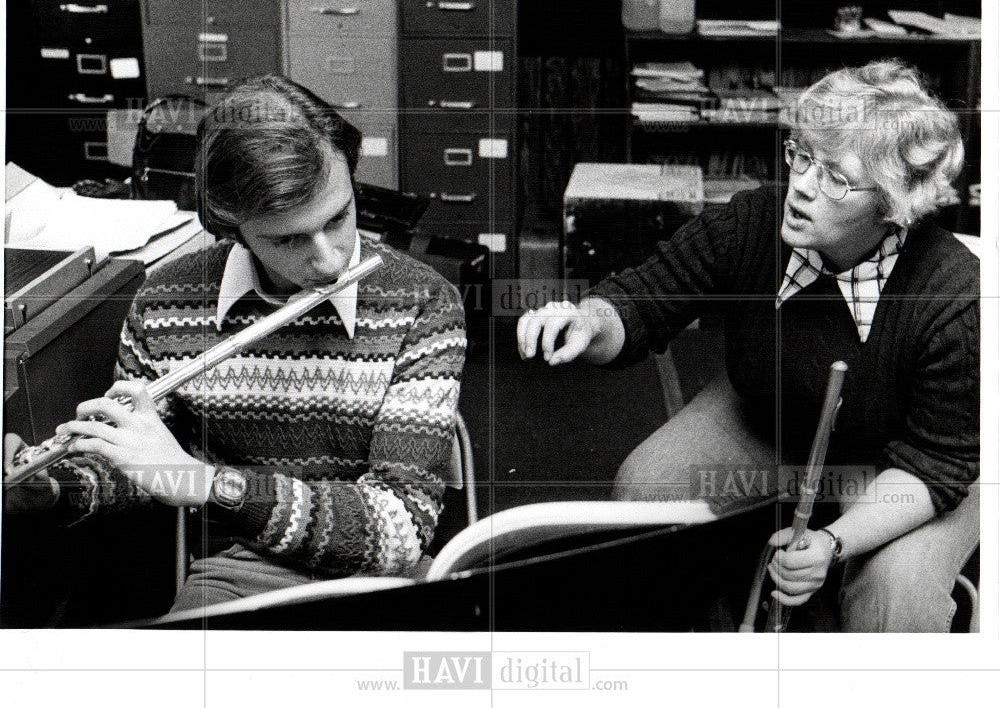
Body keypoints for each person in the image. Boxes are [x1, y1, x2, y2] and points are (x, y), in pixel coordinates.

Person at [516, 60, 979, 632]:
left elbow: (938, 464)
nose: (802, 186)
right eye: (802, 156)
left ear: (891, 204)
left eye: (835, 177)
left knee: (894, 595)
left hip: (904, 462)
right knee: (647, 494)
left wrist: (833, 543)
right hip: (771, 411)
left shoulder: (954, 298)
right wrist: (588, 321)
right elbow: (643, 300)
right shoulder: (753, 221)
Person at [4, 75, 467, 612]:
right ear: (231, 225)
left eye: (338, 217)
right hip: (236, 573)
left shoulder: (422, 303)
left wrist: (208, 483)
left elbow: (398, 531)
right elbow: (141, 467)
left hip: (386, 578)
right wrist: (57, 487)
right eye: (287, 238)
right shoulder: (167, 302)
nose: (330, 259)